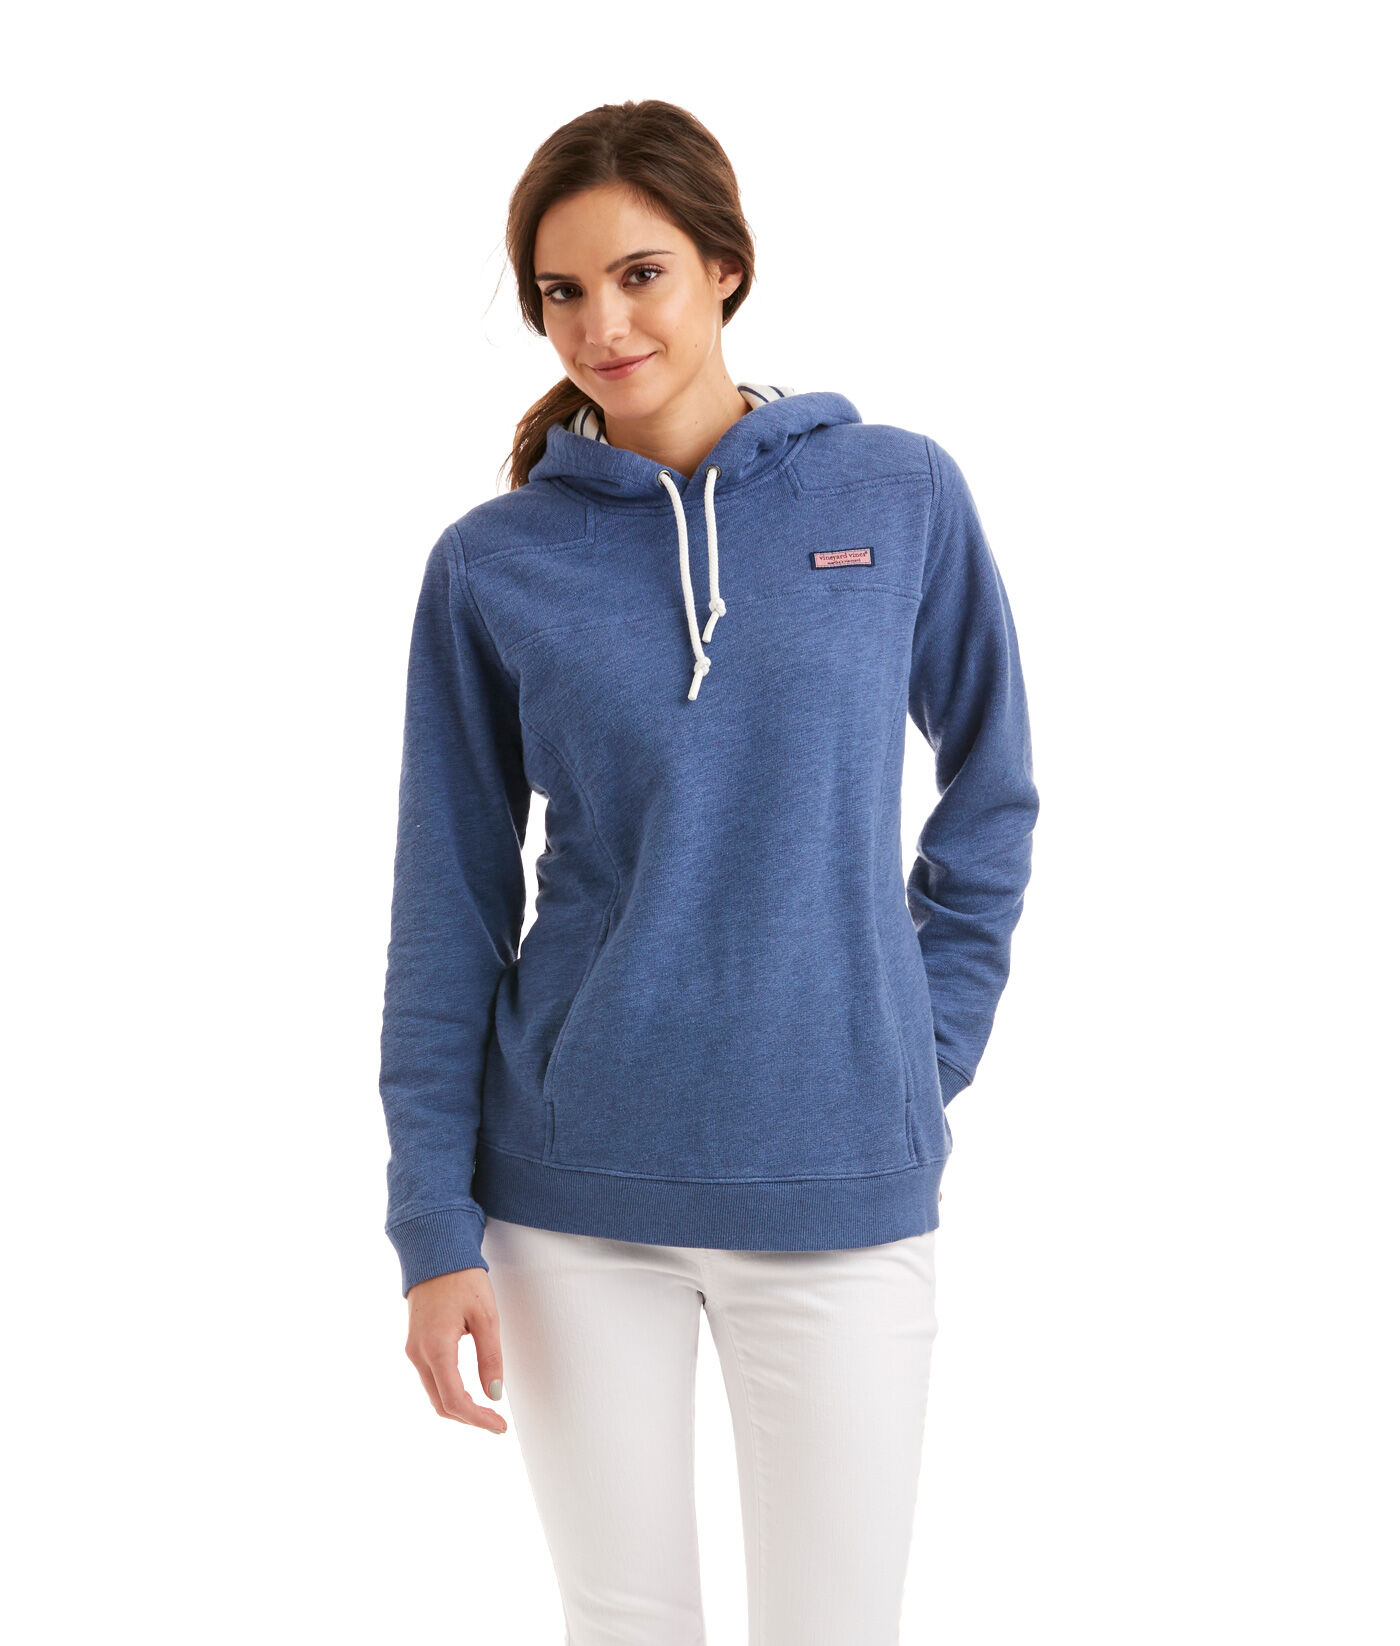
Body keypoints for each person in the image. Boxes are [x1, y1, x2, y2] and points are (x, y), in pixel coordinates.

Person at [378, 98, 1039, 1646]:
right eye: (561, 291)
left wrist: (915, 1045)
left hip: (839, 1180)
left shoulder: (897, 492)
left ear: (726, 267)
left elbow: (993, 794)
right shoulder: (493, 563)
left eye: (641, 275)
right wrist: (431, 1226)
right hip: (567, 1197)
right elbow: (447, 903)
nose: (601, 326)